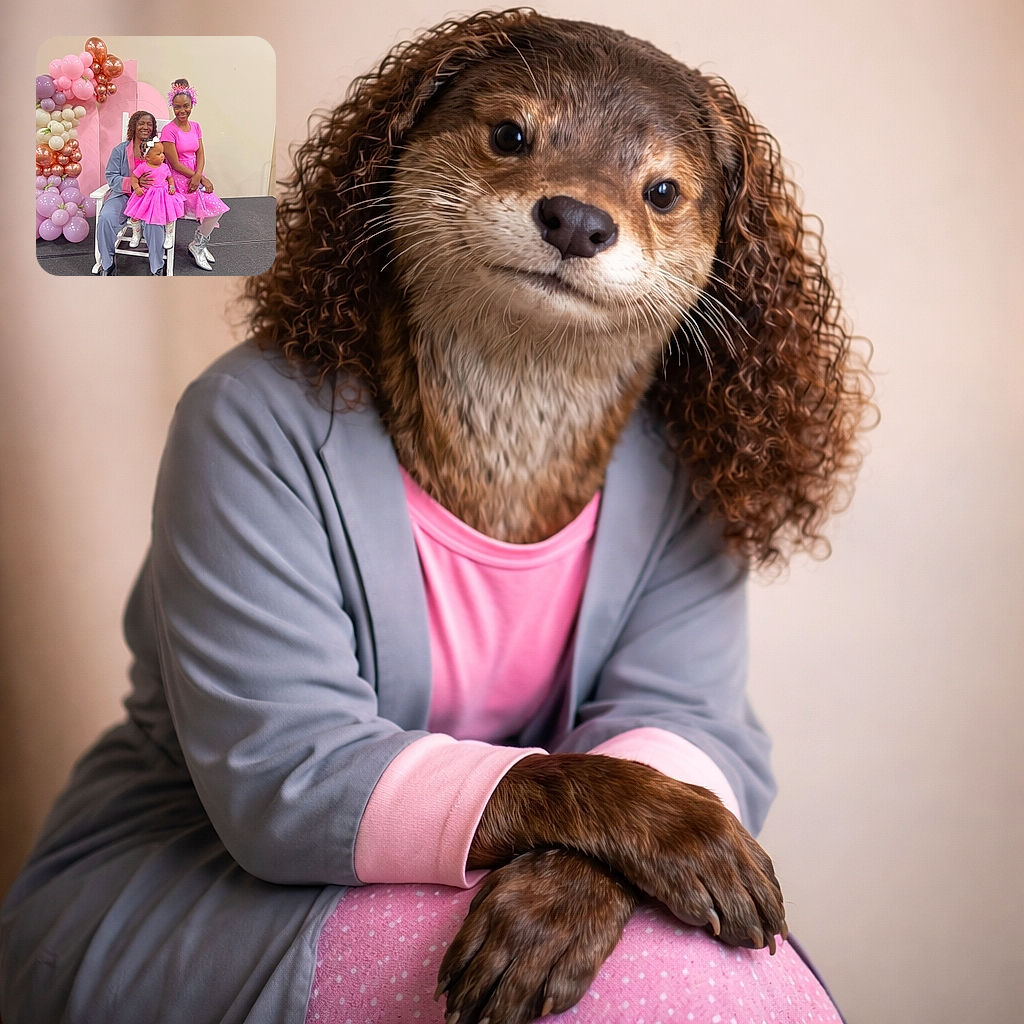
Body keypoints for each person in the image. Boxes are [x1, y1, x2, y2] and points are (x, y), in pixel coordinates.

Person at [0, 12, 872, 1024]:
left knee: (715, 969)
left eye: (660, 195)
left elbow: (686, 725)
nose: (580, 213)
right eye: (511, 137)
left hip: (504, 874)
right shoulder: (253, 418)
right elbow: (284, 775)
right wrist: (597, 812)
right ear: (393, 156)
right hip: (201, 881)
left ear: (721, 260)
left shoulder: (683, 475)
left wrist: (590, 875)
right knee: (662, 981)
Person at [160, 79, 229, 272]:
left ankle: (198, 244)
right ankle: (198, 246)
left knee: (217, 209)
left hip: (195, 174)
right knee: (214, 208)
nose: (182, 111)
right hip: (179, 177)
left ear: (192, 105)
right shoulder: (168, 131)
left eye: (186, 106)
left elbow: (200, 153)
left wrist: (200, 175)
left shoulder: (196, 126)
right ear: (172, 106)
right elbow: (174, 163)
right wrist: (197, 177)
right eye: (177, 107)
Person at [95, 109, 167, 275]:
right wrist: (133, 184)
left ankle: (156, 267)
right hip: (123, 196)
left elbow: (166, 173)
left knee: (154, 224)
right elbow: (111, 176)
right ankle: (107, 263)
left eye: (149, 124)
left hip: (150, 199)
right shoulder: (120, 151)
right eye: (141, 123)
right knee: (105, 218)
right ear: (133, 126)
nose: (145, 127)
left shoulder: (159, 151)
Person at [123, 140, 184, 238]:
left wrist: (171, 186)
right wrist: (136, 187)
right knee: (135, 215)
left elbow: (170, 178)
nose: (162, 155)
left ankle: (169, 234)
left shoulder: (164, 167)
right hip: (146, 194)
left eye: (162, 153)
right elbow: (134, 177)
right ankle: (136, 233)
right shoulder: (143, 167)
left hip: (162, 195)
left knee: (169, 215)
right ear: (148, 157)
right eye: (158, 154)